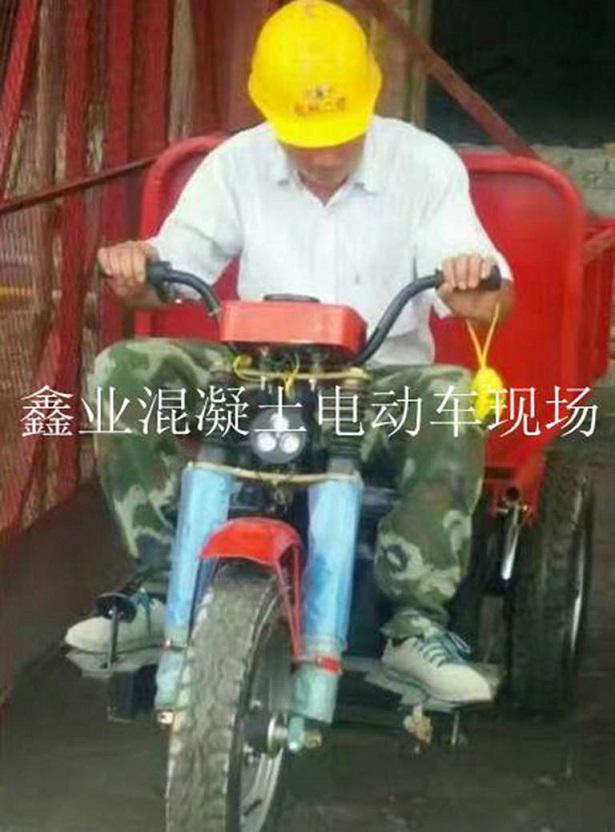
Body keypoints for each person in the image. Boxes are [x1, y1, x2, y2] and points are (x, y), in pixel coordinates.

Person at [65, 0, 514, 703]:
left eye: (341, 135)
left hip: (373, 386)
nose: (326, 156)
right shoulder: (234, 165)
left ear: (370, 100)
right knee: (124, 371)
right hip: (252, 379)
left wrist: (470, 284)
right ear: (268, 113)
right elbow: (164, 276)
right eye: (306, 141)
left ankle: (414, 626)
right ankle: (158, 586)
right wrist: (136, 266)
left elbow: (490, 296)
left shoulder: (425, 165)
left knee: (450, 398)